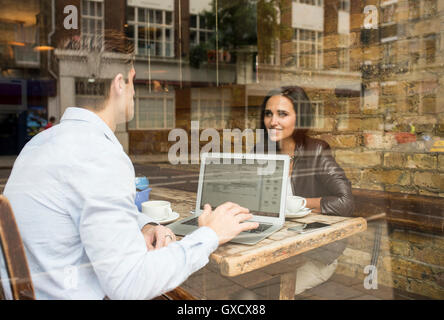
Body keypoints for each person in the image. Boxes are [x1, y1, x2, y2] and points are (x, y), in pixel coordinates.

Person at [0, 65, 258, 300]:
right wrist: (211, 234)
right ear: (120, 83)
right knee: (239, 300)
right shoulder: (99, 154)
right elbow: (129, 284)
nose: (135, 92)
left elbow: (82, 210)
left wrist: (143, 225)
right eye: (135, 82)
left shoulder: (39, 144)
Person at [257, 86, 354, 296]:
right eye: (268, 113)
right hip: (273, 250)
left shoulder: (316, 150)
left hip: (315, 255)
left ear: (299, 118)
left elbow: (345, 201)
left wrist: (299, 203)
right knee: (236, 289)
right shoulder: (262, 152)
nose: (273, 121)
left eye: (282, 114)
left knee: (267, 295)